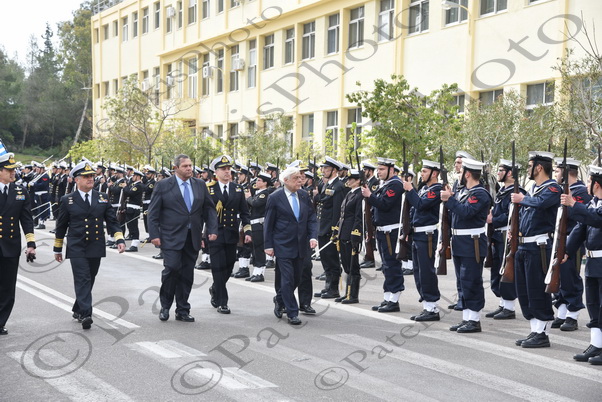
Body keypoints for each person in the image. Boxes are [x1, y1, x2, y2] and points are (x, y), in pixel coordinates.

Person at [53, 161, 125, 330]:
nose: (90, 179)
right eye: (86, 176)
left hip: (95, 245)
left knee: (90, 278)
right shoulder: (68, 200)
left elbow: (112, 221)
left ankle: (78, 308)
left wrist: (119, 239)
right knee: (83, 278)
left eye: (92, 176)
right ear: (76, 179)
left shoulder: (102, 198)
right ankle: (86, 314)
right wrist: (57, 248)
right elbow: (61, 225)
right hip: (76, 246)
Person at [148, 154, 218, 323]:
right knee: (171, 269)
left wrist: (212, 229)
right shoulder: (163, 185)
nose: (189, 168)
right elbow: (153, 212)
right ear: (176, 168)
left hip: (192, 237)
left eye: (190, 165)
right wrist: (154, 235)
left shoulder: (199, 184)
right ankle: (165, 306)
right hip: (170, 236)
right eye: (185, 166)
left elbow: (209, 209)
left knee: (187, 274)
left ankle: (183, 309)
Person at [511, 151, 561, 348]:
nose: (528, 170)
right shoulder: (533, 189)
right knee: (524, 291)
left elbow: (542, 204)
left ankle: (542, 333)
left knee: (537, 290)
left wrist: (521, 199)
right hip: (524, 245)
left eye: (530, 166)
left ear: (539, 167)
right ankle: (535, 330)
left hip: (539, 247)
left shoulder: (553, 188)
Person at [441, 158, 491, 333]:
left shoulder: (480, 194)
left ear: (468, 174)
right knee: (463, 282)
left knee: (472, 281)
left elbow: (466, 212)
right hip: (460, 242)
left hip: (472, 242)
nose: (459, 174)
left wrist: (450, 200)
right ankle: (467, 318)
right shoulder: (464, 192)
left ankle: (474, 320)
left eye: (462, 171)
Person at [264, 166, 318, 325]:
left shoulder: (304, 195)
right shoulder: (275, 197)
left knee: (296, 278)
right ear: (285, 180)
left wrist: (313, 236)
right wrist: (268, 245)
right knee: (287, 278)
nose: (300, 180)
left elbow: (311, 218)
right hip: (282, 244)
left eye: (300, 178)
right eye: (296, 178)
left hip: (301, 244)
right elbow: (269, 223)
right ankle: (292, 312)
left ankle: (280, 299)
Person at [563, 165, 602, 365]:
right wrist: (567, 252)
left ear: (596, 184)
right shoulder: (593, 203)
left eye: (588, 181)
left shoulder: (595, 207)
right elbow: (580, 228)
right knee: (594, 304)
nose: (586, 184)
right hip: (594, 262)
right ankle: (596, 344)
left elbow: (596, 219)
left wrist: (573, 204)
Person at [206, 155, 251, 314]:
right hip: (215, 234)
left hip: (231, 234)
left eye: (228, 169)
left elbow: (244, 212)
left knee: (229, 266)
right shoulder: (208, 189)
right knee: (218, 268)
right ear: (216, 172)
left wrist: (248, 231)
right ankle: (222, 302)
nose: (227, 172)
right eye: (223, 169)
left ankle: (215, 288)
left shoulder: (237, 189)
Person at [551, 157, 590, 331]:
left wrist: (570, 203)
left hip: (573, 240)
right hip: (559, 239)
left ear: (566, 173)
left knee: (570, 277)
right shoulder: (561, 191)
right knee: (559, 277)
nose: (555, 174)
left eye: (558, 171)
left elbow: (580, 217)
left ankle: (572, 315)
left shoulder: (581, 193)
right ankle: (562, 312)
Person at [0, 149, 36, 336]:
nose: (13, 173)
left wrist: (31, 244)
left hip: (10, 246)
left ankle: (0, 322)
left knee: (7, 287)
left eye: (14, 169)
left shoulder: (21, 191)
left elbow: (26, 219)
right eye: (9, 170)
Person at [361, 157, 404, 313]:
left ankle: (394, 299)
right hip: (382, 230)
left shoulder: (395, 184)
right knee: (386, 266)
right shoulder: (385, 184)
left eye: (382, 169)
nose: (378, 172)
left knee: (392, 265)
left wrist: (369, 195)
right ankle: (388, 297)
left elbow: (385, 204)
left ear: (391, 170)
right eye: (378, 169)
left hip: (390, 231)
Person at [403, 160, 442, 321]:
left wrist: (410, 189)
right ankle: (427, 305)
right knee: (418, 272)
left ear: (434, 173)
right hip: (417, 234)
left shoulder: (436, 189)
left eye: (425, 171)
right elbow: (413, 210)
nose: (422, 174)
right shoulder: (425, 189)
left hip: (427, 235)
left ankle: (432, 308)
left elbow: (420, 205)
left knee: (426, 272)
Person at [485, 159, 523, 320]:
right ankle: (503, 303)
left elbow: (513, 215)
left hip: (507, 235)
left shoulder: (517, 192)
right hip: (497, 234)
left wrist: (494, 219)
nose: (498, 173)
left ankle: (509, 307)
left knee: (506, 270)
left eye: (501, 170)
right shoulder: (502, 191)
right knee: (497, 270)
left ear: (510, 173)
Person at [313, 157, 345, 299]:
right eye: (323, 168)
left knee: (332, 259)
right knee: (325, 258)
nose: (323, 170)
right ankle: (327, 286)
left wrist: (335, 229)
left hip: (330, 229)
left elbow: (338, 211)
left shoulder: (338, 186)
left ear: (334, 170)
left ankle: (334, 288)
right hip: (322, 227)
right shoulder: (326, 185)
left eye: (326, 168)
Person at [333, 169, 363, 304]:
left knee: (353, 266)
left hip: (351, 234)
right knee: (346, 265)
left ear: (358, 181)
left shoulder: (359, 195)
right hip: (343, 233)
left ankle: (353, 295)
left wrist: (356, 234)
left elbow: (358, 217)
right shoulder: (350, 193)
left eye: (351, 179)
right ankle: (347, 293)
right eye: (348, 179)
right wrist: (337, 230)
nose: (348, 181)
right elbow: (343, 215)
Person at [245, 172, 272, 282]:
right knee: (255, 249)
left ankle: (260, 273)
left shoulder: (265, 194)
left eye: (259, 180)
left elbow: (255, 204)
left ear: (265, 183)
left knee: (259, 249)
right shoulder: (257, 193)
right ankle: (256, 271)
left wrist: (248, 198)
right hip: (253, 224)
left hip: (260, 224)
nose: (256, 182)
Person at [124, 169, 145, 252]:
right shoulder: (134, 185)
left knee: (133, 226)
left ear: (138, 177)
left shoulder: (138, 186)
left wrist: (125, 187)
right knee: (130, 226)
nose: (132, 177)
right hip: (130, 207)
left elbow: (129, 193)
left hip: (134, 208)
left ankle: (135, 244)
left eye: (134, 176)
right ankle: (133, 243)